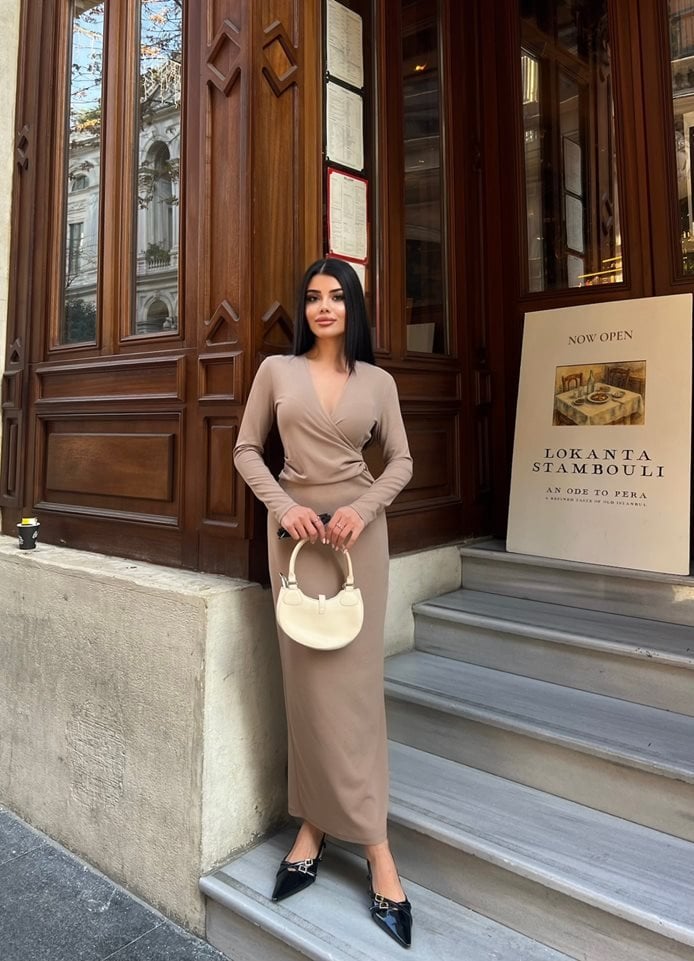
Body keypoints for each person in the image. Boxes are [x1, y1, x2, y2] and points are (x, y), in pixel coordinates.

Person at [233, 257, 414, 948]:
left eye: (337, 296)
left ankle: (376, 847)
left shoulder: (379, 382)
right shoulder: (276, 371)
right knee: (306, 691)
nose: (324, 307)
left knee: (357, 696)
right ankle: (310, 825)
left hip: (357, 542)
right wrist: (284, 508)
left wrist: (362, 510)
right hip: (297, 541)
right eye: (312, 297)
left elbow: (401, 461)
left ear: (353, 306)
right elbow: (246, 449)